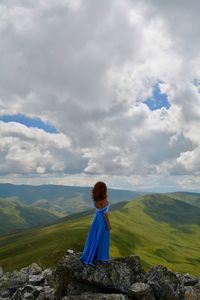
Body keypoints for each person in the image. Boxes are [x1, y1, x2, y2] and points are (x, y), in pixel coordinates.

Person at [80, 181, 111, 264]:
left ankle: (90, 254)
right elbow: (105, 214)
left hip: (96, 219)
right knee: (103, 238)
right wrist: (109, 224)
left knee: (93, 236)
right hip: (102, 221)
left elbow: (98, 209)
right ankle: (102, 257)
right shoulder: (105, 199)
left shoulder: (95, 198)